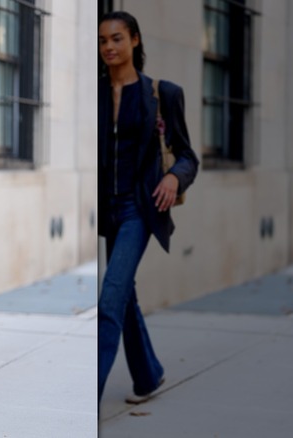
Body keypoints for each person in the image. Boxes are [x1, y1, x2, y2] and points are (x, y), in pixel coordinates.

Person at [97, 11, 199, 404]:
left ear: (135, 40)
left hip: (140, 209)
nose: (109, 46)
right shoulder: (98, 93)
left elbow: (187, 155)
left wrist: (175, 178)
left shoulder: (162, 94)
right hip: (108, 210)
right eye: (103, 40)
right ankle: (149, 375)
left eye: (117, 38)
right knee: (124, 296)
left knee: (110, 299)